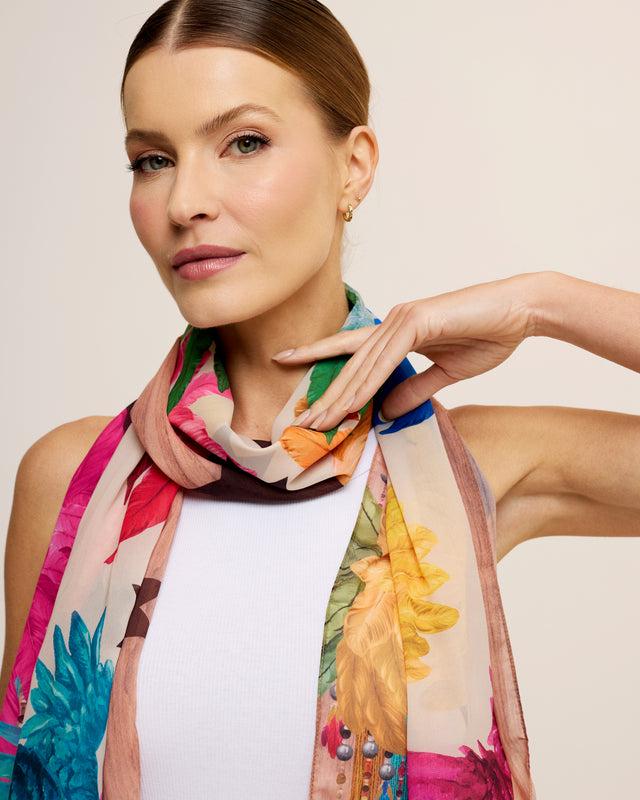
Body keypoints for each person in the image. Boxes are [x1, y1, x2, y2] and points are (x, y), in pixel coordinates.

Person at [0, 1, 638, 798]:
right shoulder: (76, 478)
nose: (184, 201)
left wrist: (544, 301)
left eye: (244, 142)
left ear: (355, 167)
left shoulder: (463, 466)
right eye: (153, 159)